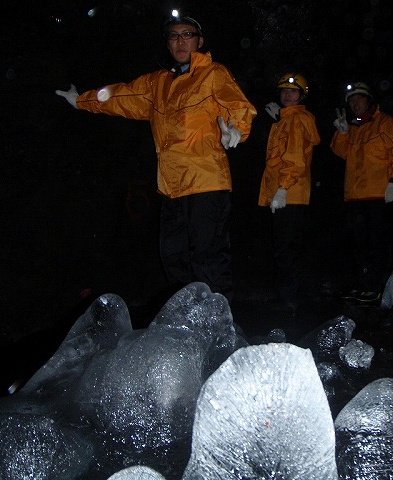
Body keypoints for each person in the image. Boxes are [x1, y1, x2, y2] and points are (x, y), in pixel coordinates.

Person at [55, 10, 257, 304]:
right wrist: (81, 100)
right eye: (174, 36)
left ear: (199, 41)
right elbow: (120, 96)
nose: (180, 41)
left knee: (208, 259)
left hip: (207, 183)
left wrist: (236, 130)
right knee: (172, 257)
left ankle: (219, 331)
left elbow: (237, 106)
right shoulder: (157, 83)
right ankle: (187, 324)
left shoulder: (214, 74)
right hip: (171, 187)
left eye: (187, 34)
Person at [330, 82, 393, 304]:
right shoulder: (353, 126)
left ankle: (378, 286)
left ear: (369, 101)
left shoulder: (385, 123)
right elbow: (340, 152)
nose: (355, 103)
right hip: (355, 196)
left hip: (378, 195)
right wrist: (342, 132)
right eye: (351, 101)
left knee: (378, 243)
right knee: (359, 244)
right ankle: (363, 285)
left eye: (359, 99)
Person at [258, 73, 321, 314]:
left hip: (289, 193)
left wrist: (283, 189)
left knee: (287, 248)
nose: (287, 95)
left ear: (302, 95)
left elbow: (294, 159)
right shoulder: (287, 120)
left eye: (293, 92)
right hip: (286, 193)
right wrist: (279, 119)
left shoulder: (297, 120)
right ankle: (291, 296)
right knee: (287, 246)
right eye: (284, 91)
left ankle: (288, 301)